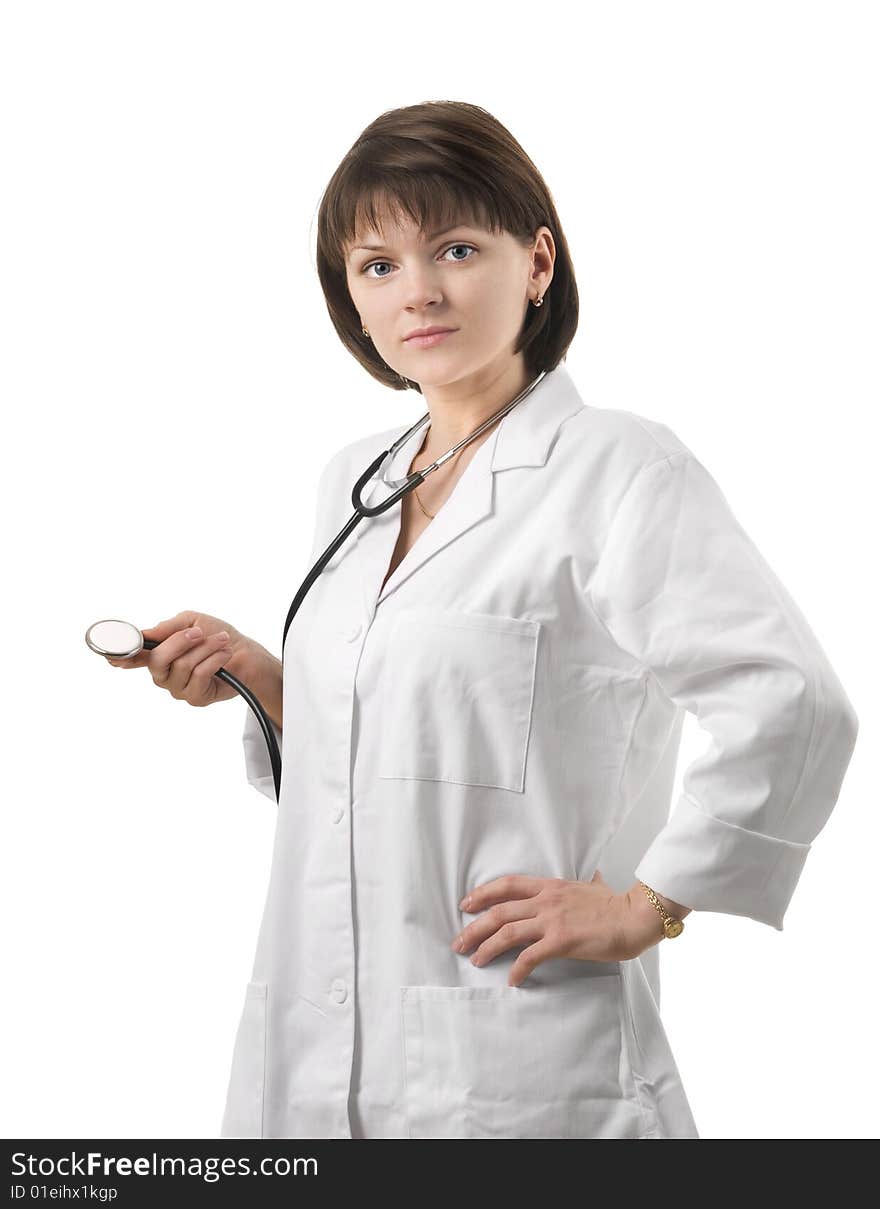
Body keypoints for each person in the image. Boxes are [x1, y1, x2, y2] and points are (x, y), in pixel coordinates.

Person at [104, 100, 859, 1139]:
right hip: (311, 1047)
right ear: (351, 300)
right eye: (377, 266)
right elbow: (409, 750)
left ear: (535, 263)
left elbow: (792, 700)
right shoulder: (352, 484)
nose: (417, 291)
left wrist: (651, 905)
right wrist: (273, 688)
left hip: (522, 1067)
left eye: (454, 248)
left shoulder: (617, 468)